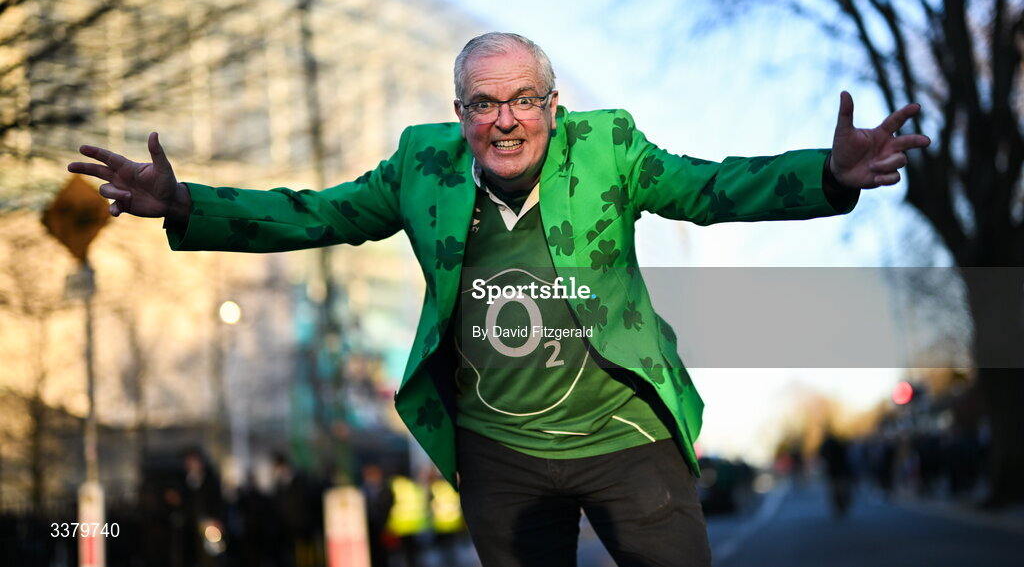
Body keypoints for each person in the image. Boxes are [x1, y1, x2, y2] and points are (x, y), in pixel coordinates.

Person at [69, 32, 929, 566]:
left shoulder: (609, 148)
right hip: (499, 452)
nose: (506, 119)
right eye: (485, 103)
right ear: (460, 110)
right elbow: (320, 213)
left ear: (554, 106)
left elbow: (710, 188)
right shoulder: (422, 166)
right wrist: (187, 205)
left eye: (524, 100)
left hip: (622, 434)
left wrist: (825, 173)